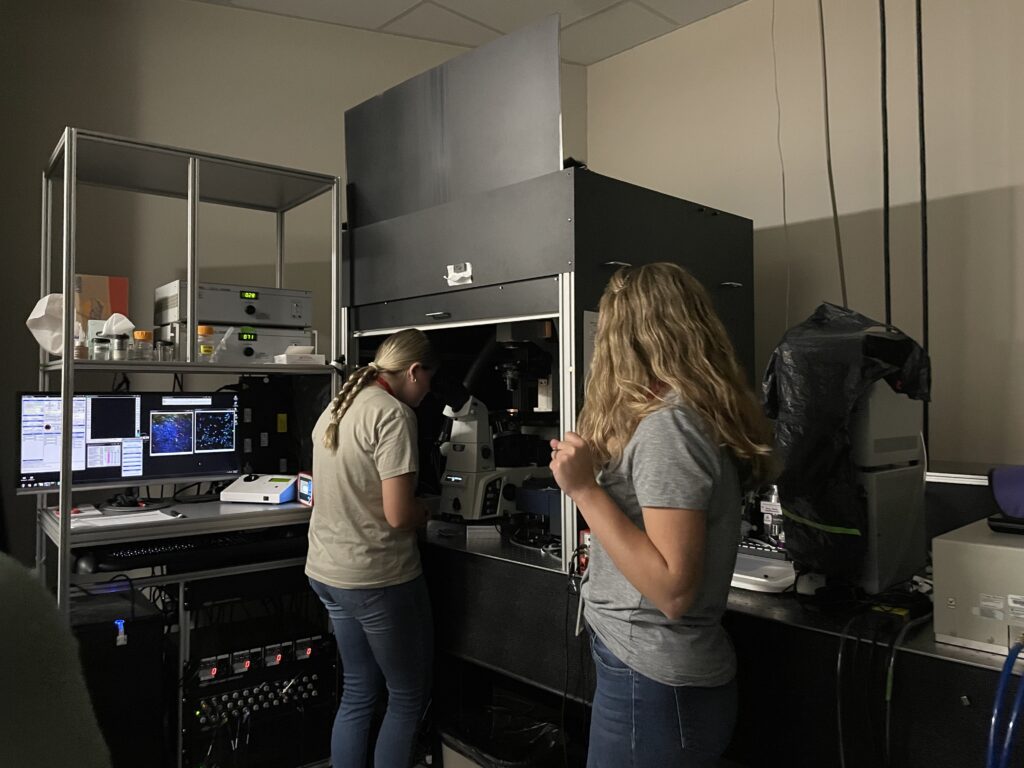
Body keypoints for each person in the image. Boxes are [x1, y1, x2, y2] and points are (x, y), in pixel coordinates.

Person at [549, 263, 774, 768]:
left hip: (652, 680)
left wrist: (584, 489)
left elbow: (673, 590)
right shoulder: (668, 418)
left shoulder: (670, 427)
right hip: (643, 672)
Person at [306, 328, 438, 768]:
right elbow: (399, 515)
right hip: (376, 579)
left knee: (359, 691)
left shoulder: (337, 408)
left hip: (328, 573)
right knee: (406, 696)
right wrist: (428, 511)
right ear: (415, 372)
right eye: (429, 380)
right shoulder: (394, 415)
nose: (430, 390)